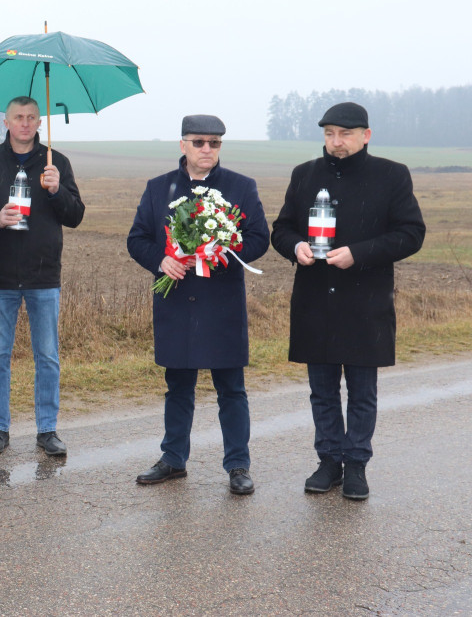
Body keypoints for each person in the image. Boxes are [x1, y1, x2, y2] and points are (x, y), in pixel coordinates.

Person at [271, 102, 425, 500]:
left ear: (365, 136)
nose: (336, 142)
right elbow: (282, 229)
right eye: (329, 134)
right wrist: (296, 246)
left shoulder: (392, 175)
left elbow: (411, 233)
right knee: (321, 391)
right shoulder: (304, 175)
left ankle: (356, 464)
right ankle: (328, 462)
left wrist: (360, 253)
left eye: (345, 134)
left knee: (361, 391)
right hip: (314, 301)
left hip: (365, 302)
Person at [127, 115, 269, 495]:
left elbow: (259, 239)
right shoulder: (159, 189)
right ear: (183, 145)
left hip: (222, 301)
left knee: (231, 388)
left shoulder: (241, 187)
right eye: (200, 142)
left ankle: (238, 464)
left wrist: (226, 249)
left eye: (215, 143)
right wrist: (161, 260)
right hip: (177, 302)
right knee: (178, 386)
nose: (207, 149)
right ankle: (173, 459)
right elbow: (136, 239)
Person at [0, 96, 84, 456]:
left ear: (40, 122)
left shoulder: (56, 162)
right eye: (18, 117)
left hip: (43, 274)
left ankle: (47, 430)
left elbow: (76, 215)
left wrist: (57, 189)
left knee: (47, 356)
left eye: (32, 118)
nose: (24, 123)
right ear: (6, 122)